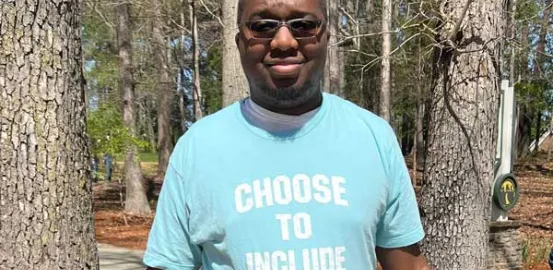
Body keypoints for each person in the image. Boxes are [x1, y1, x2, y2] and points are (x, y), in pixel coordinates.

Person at [143, 0, 429, 269]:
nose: (284, 42)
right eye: (262, 26)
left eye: (303, 25)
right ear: (240, 42)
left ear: (326, 38)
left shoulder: (373, 137)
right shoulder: (198, 149)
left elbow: (409, 264)